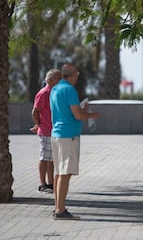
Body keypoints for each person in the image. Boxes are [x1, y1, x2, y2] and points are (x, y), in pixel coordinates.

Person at [50, 63, 99, 220]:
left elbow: (66, 111)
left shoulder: (55, 89)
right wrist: (92, 115)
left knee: (58, 172)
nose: (77, 76)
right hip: (68, 135)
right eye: (76, 74)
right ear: (71, 75)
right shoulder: (70, 90)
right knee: (65, 173)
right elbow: (77, 116)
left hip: (56, 134)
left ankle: (57, 206)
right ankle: (60, 210)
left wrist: (80, 109)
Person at [31, 69, 62, 194]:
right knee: (44, 157)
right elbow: (35, 112)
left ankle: (51, 183)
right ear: (49, 80)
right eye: (58, 78)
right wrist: (39, 125)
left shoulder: (56, 93)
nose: (60, 81)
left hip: (55, 131)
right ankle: (42, 184)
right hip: (46, 131)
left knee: (52, 159)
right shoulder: (43, 93)